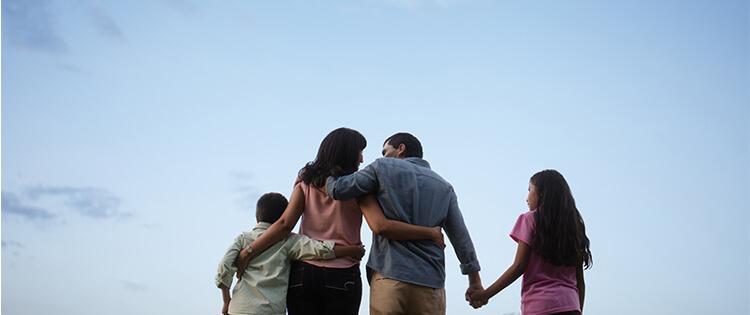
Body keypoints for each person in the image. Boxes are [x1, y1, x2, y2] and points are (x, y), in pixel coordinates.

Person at [235, 128, 443, 315]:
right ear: (347, 153)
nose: (362, 159)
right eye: (359, 152)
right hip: (343, 274)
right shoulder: (360, 188)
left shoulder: (306, 182)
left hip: (304, 273)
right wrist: (430, 232)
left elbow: (283, 225)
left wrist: (249, 251)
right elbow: (380, 225)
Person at [326, 132, 482, 315]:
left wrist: (326, 170)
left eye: (386, 151)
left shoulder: (381, 167)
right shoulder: (444, 187)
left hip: (390, 275)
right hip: (431, 283)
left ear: (401, 149)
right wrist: (474, 280)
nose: (383, 156)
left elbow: (338, 189)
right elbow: (460, 236)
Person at [215, 192, 365, 315]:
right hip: (270, 310)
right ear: (285, 217)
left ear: (257, 217)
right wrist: (352, 250)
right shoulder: (288, 240)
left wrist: (227, 301)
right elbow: (320, 249)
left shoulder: (243, 239)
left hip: (239, 309)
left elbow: (224, 266)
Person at [469, 169, 593, 315]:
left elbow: (519, 266)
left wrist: (485, 295)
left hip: (539, 307)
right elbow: (580, 281)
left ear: (542, 193)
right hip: (571, 306)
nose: (526, 198)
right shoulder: (574, 227)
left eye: (529, 190)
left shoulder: (530, 219)